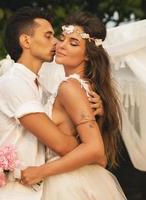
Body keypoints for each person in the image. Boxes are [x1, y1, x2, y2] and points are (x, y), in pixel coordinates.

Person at [0, 7, 103, 200]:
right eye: (49, 36)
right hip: (16, 194)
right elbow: (60, 144)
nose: (57, 42)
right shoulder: (13, 83)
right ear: (26, 41)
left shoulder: (43, 88)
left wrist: (97, 111)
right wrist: (86, 143)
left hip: (43, 190)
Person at [20, 12, 127, 200]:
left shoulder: (69, 87)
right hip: (76, 178)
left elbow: (95, 149)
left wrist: (41, 171)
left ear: (87, 55)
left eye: (73, 43)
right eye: (63, 39)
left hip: (67, 184)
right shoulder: (85, 87)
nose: (61, 46)